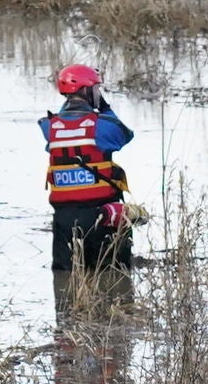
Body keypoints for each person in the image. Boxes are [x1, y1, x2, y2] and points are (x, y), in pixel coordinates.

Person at [40, 62, 137, 274]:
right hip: (102, 218)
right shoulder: (102, 125)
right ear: (86, 90)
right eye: (96, 88)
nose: (98, 92)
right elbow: (125, 135)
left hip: (64, 222)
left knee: (66, 285)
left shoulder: (49, 127)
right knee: (115, 282)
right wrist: (103, 106)